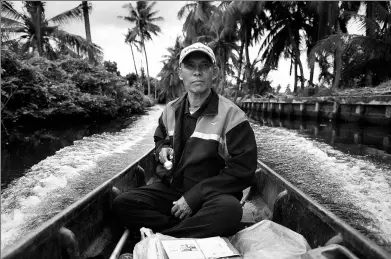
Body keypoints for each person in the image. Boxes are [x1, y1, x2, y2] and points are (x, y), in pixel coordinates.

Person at [113, 42, 257, 238]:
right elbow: (160, 139)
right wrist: (162, 150)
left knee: (230, 211)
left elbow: (242, 171)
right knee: (123, 204)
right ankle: (184, 231)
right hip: (173, 190)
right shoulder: (170, 110)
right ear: (181, 73)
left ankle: (167, 236)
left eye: (204, 66)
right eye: (190, 66)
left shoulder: (233, 116)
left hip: (212, 196)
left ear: (213, 72)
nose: (197, 72)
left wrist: (194, 197)